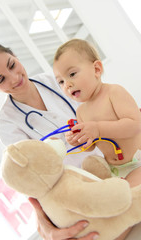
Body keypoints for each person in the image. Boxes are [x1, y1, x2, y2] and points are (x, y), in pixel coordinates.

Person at [0, 39, 100, 240]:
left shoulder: (57, 81)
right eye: (1, 80)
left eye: (12, 65)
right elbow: (35, 176)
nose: (14, 78)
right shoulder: (7, 124)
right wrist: (43, 219)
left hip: (108, 159)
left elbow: (100, 108)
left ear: (16, 56)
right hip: (75, 190)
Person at [53, 38, 141, 239]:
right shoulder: (81, 111)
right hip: (115, 170)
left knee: (125, 201)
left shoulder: (113, 92)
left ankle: (118, 231)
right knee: (104, 201)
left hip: (138, 163)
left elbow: (135, 124)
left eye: (72, 74)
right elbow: (92, 145)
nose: (68, 84)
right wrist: (80, 141)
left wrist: (98, 128)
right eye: (61, 81)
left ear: (97, 69)